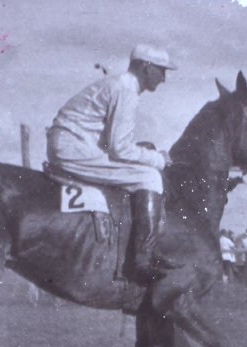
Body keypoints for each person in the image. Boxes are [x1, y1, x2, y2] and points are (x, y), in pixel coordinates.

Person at [46, 43, 176, 284]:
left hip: (72, 143)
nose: (164, 78)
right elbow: (121, 148)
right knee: (150, 177)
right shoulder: (126, 90)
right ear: (146, 67)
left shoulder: (119, 85)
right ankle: (142, 260)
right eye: (161, 70)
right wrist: (158, 159)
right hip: (74, 148)